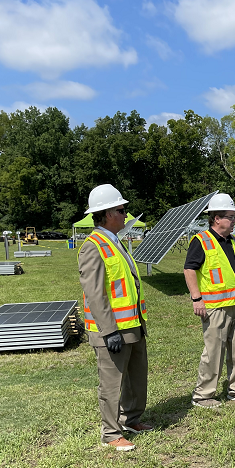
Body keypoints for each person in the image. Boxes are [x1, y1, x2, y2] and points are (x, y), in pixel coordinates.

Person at [79, 184, 152, 451]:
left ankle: (132, 419)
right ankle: (111, 433)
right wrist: (109, 331)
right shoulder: (93, 247)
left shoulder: (115, 241)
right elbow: (95, 294)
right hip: (112, 330)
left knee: (136, 377)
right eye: (122, 210)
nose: (125, 214)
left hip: (133, 325)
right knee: (112, 382)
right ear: (108, 213)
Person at [184, 192, 235, 408]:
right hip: (214, 307)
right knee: (214, 353)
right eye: (230, 217)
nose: (234, 221)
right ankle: (203, 395)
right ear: (217, 218)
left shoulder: (234, 241)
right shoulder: (201, 241)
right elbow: (189, 269)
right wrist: (196, 299)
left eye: (234, 217)